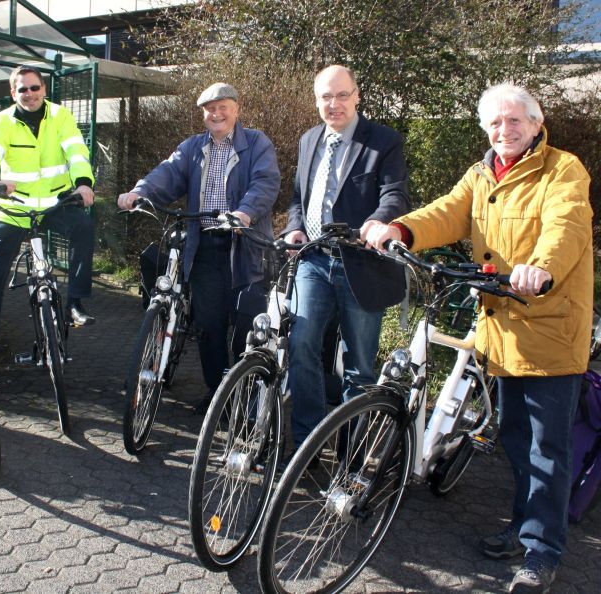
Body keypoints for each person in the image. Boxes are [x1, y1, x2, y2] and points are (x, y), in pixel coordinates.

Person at [364, 83, 592, 594]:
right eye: (494, 123)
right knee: (516, 440)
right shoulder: (482, 172)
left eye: (514, 121)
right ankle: (523, 526)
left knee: (547, 450)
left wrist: (540, 267)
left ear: (536, 124)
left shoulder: (563, 168)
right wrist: (399, 228)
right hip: (502, 328)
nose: (504, 131)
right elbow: (448, 212)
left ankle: (543, 551)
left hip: (550, 327)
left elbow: (567, 225)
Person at [118, 82, 280, 412]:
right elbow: (168, 172)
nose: (216, 113)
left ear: (236, 109)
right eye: (209, 108)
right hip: (205, 248)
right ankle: (218, 393)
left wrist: (244, 213)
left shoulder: (257, 143)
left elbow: (265, 182)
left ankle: (246, 399)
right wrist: (140, 192)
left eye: (222, 106)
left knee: (246, 327)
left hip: (245, 248)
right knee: (210, 326)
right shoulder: (193, 147)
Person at [284, 65, 411, 453]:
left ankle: (350, 453)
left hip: (363, 263)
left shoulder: (384, 141)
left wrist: (378, 220)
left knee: (359, 364)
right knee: (301, 344)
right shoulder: (309, 140)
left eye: (342, 95)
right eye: (326, 97)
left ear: (357, 96)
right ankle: (307, 443)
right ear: (316, 100)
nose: (333, 104)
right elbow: (297, 198)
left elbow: (396, 194)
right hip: (315, 260)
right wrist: (295, 227)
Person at [0, 65, 96, 356]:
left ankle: (74, 303)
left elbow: (77, 150)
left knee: (84, 227)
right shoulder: (3, 121)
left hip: (54, 204)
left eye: (34, 87)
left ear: (44, 89)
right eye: (22, 89)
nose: (29, 94)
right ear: (13, 93)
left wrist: (83, 183)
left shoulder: (60, 116)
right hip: (14, 210)